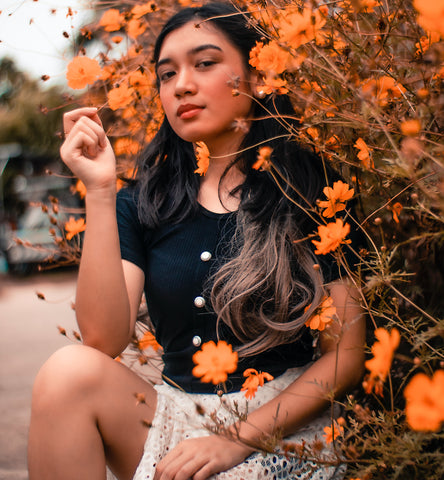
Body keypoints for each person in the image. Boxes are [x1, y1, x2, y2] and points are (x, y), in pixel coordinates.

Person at [28, 3, 365, 479]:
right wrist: (100, 191)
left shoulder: (311, 189)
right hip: (176, 415)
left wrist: (235, 440)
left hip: (282, 426)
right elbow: (101, 340)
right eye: (167, 74)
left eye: (204, 64)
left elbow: (344, 358)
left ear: (256, 75)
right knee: (66, 373)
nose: (182, 84)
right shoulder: (145, 202)